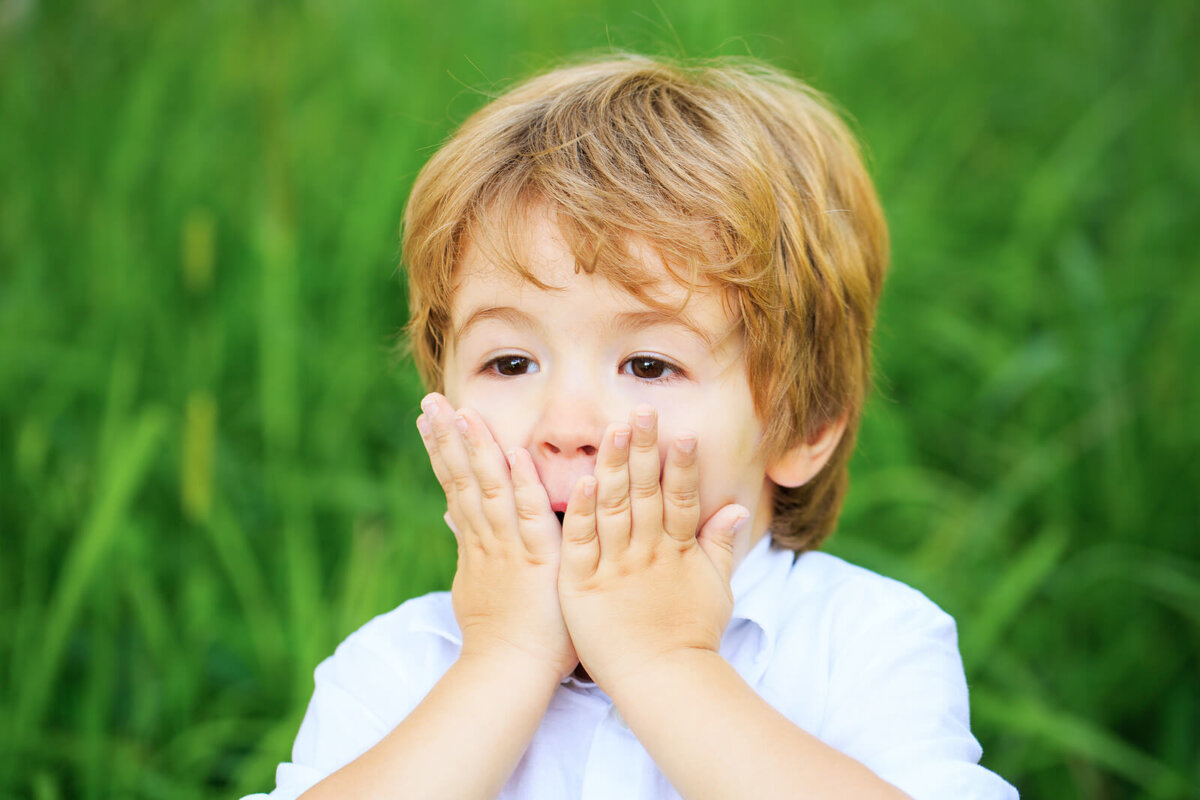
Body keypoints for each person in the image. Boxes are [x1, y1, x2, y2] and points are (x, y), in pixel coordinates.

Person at [244, 54, 1018, 799]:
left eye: (649, 365)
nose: (567, 425)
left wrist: (665, 660)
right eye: (510, 363)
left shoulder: (862, 644)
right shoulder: (401, 666)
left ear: (803, 425)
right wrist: (506, 657)